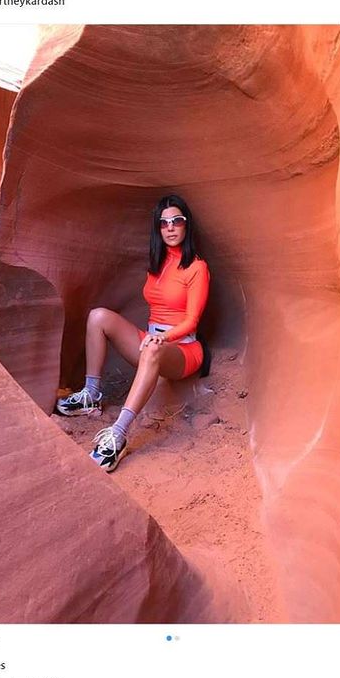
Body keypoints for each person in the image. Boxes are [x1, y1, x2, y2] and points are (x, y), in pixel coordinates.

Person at [57, 194, 210, 472]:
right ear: (158, 229)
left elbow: (191, 320)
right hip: (152, 342)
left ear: (186, 226)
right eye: (164, 224)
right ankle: (91, 394)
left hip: (183, 349)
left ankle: (117, 435)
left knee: (152, 348)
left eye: (177, 221)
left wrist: (164, 337)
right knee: (98, 317)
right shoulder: (158, 264)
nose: (171, 228)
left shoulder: (197, 267)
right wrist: (155, 337)